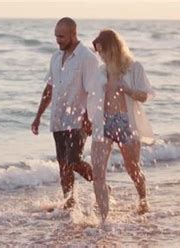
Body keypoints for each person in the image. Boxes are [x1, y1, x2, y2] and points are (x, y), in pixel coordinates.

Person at [31, 17, 99, 210]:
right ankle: (69, 202)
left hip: (78, 120)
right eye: (56, 36)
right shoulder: (55, 57)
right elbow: (49, 89)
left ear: (73, 34)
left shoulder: (87, 58)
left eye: (61, 36)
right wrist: (38, 116)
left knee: (74, 160)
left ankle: (101, 185)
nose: (58, 40)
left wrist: (88, 118)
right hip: (58, 119)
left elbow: (94, 91)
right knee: (63, 166)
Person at [88, 29, 155, 223]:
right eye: (98, 53)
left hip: (126, 123)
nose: (101, 56)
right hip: (104, 124)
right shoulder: (101, 71)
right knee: (98, 173)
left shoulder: (134, 68)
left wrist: (129, 90)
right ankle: (104, 219)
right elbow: (92, 98)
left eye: (103, 52)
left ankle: (143, 200)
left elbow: (146, 95)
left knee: (132, 168)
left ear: (113, 48)